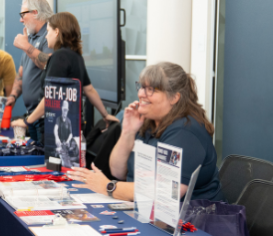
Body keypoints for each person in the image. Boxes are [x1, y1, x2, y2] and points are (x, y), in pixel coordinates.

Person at [68, 62, 223, 204]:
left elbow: (166, 191)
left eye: (151, 90)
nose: (142, 94)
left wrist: (109, 187)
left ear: (174, 97)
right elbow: (118, 171)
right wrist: (128, 131)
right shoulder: (149, 123)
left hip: (195, 226)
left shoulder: (185, 131)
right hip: (148, 214)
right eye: (142, 87)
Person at [11, 12, 117, 131]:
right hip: (72, 124)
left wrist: (27, 121)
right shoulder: (76, 57)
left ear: (56, 32)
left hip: (53, 125)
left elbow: (50, 98)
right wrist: (105, 115)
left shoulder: (59, 57)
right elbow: (89, 90)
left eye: (48, 31)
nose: (46, 36)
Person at [8, 0, 53, 143]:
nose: (21, 20)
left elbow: (50, 64)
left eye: (23, 14)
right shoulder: (30, 37)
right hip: (31, 114)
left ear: (35, 12)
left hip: (45, 116)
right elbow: (22, 73)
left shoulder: (50, 34)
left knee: (43, 161)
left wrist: (26, 46)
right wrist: (13, 96)